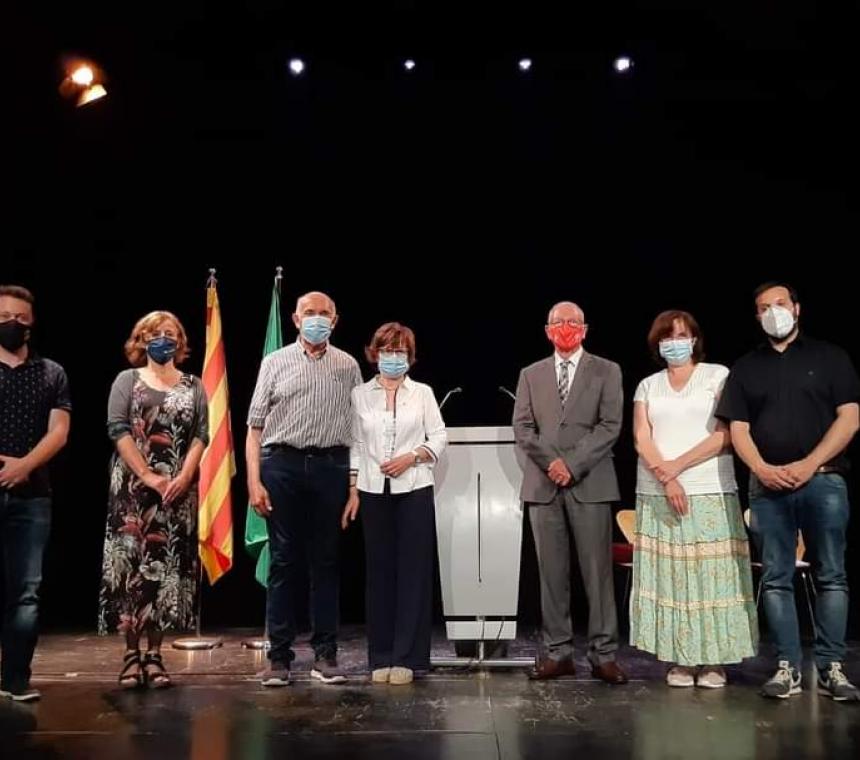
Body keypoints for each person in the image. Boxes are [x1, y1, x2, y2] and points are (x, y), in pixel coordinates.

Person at [717, 282, 860, 701]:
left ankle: (832, 667)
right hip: (768, 487)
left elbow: (849, 419)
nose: (772, 312)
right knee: (777, 579)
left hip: (825, 481)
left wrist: (809, 463)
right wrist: (761, 468)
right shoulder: (745, 367)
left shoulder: (830, 357)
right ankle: (786, 668)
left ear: (796, 309)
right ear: (756, 316)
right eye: (763, 307)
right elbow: (737, 429)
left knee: (831, 574)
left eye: (780, 305)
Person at [630, 309, 757, 689]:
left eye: (682, 335)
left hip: (709, 489)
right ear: (658, 344)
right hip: (657, 491)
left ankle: (715, 661)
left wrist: (678, 468)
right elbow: (642, 436)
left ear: (695, 339)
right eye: (667, 337)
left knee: (712, 578)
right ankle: (681, 660)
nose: (675, 343)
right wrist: (665, 477)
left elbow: (725, 434)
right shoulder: (648, 386)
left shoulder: (717, 376)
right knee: (673, 578)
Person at [246, 291, 362, 686]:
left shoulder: (347, 365)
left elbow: (358, 430)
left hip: (331, 465)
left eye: (324, 313)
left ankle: (325, 655)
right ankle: (279, 658)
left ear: (335, 319)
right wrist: (252, 481)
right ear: (295, 320)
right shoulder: (274, 362)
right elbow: (255, 427)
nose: (316, 319)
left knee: (326, 562)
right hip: (283, 466)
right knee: (283, 562)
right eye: (309, 313)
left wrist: (354, 486)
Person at [513, 301, 627, 684]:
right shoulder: (531, 374)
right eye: (559, 322)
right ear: (547, 330)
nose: (566, 327)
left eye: (573, 322)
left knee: (597, 574)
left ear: (585, 328)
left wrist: (572, 464)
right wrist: (553, 464)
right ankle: (558, 653)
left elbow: (610, 425)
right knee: (551, 574)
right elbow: (524, 427)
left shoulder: (607, 371)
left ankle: (603, 654)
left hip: (590, 483)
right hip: (544, 486)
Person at [99, 311, 208, 690]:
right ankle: (131, 655)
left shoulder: (193, 384)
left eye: (172, 333)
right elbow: (117, 428)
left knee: (166, 570)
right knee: (131, 569)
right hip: (133, 489)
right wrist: (148, 476)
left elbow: (201, 434)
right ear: (141, 340)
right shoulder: (127, 380)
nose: (165, 339)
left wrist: (183, 476)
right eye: (156, 333)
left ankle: (157, 655)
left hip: (177, 490)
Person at [343, 322, 446, 685]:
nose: (393, 358)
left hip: (415, 489)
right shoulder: (360, 395)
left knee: (413, 574)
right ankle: (381, 657)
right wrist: (353, 489)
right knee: (380, 574)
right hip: (373, 491)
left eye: (400, 352)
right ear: (375, 353)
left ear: (409, 357)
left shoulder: (422, 393)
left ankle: (408, 657)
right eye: (387, 351)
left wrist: (413, 457)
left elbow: (439, 436)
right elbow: (354, 444)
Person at [0, 285, 71, 702]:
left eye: (20, 317)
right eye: (5, 315)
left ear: (31, 322)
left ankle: (15, 678)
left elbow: (59, 431)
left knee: (25, 591)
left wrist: (24, 466)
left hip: (33, 496)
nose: (12, 322)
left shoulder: (52, 372)